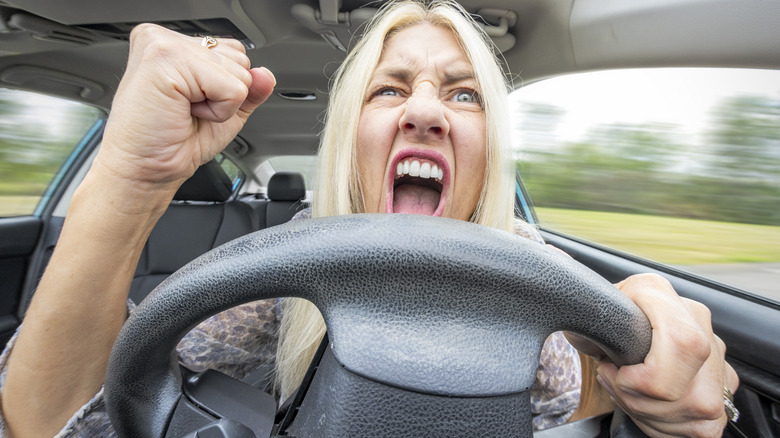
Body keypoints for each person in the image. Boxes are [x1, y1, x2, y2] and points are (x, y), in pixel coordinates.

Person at [0, 1, 738, 437]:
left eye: (462, 95)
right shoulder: (284, 277)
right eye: (389, 90)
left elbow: (612, 376)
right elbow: (52, 419)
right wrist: (131, 176)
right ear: (350, 137)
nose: (423, 109)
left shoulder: (532, 265)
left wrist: (655, 329)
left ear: (491, 152)